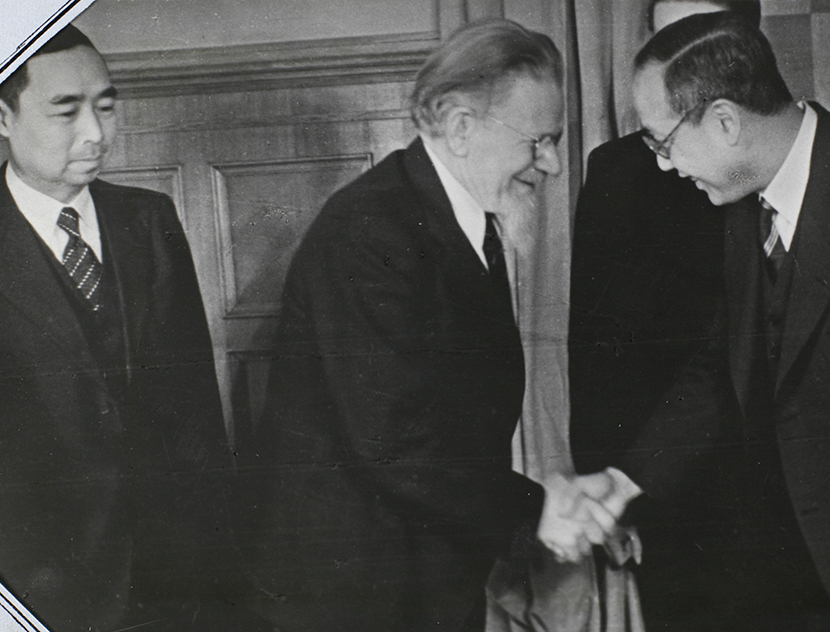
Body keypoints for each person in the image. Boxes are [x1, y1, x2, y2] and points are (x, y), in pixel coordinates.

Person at [241, 18, 629, 632]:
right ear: (460, 128)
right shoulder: (371, 232)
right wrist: (539, 509)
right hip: (349, 596)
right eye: (540, 141)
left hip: (419, 574)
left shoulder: (464, 221)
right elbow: (396, 444)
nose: (553, 164)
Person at [602, 12, 830, 632]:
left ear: (724, 122)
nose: (664, 166)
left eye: (662, 143)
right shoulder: (748, 205)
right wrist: (626, 478)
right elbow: (723, 365)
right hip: (796, 567)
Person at [0, 25, 257, 631]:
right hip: (36, 588)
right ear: (0, 114)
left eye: (106, 106)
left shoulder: (150, 219)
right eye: (65, 110)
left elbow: (195, 409)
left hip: (174, 585)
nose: (96, 133)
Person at [568, 2, 759, 626]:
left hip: (785, 489)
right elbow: (596, 347)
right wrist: (615, 491)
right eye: (669, 37)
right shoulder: (620, 172)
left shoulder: (786, 161)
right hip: (666, 490)